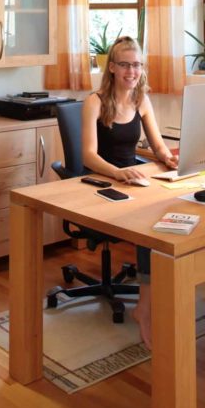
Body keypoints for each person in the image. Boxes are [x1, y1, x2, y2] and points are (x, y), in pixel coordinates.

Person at [81, 36, 178, 349]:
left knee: (167, 214)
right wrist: (117, 172)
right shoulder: (95, 102)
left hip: (132, 179)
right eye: (125, 64)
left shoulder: (141, 100)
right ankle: (145, 310)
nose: (132, 71)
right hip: (102, 183)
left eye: (137, 65)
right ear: (112, 67)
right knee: (149, 226)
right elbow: (88, 156)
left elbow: (157, 144)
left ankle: (155, 298)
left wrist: (168, 158)